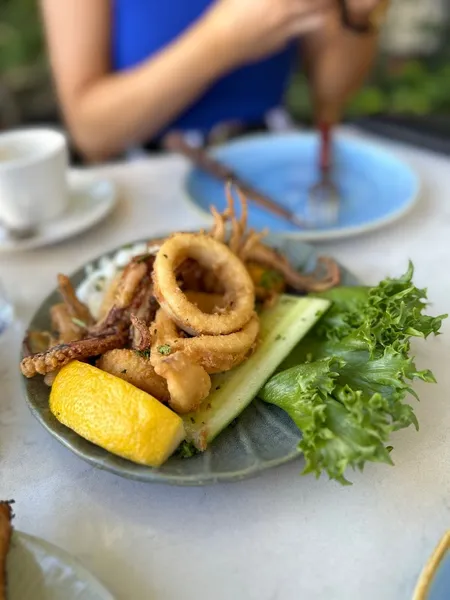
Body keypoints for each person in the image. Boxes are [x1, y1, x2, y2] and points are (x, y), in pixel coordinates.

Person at [40, 0, 389, 162]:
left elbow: (330, 96)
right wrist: (223, 42)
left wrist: (358, 16)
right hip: (147, 176)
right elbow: (91, 133)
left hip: (273, 163)